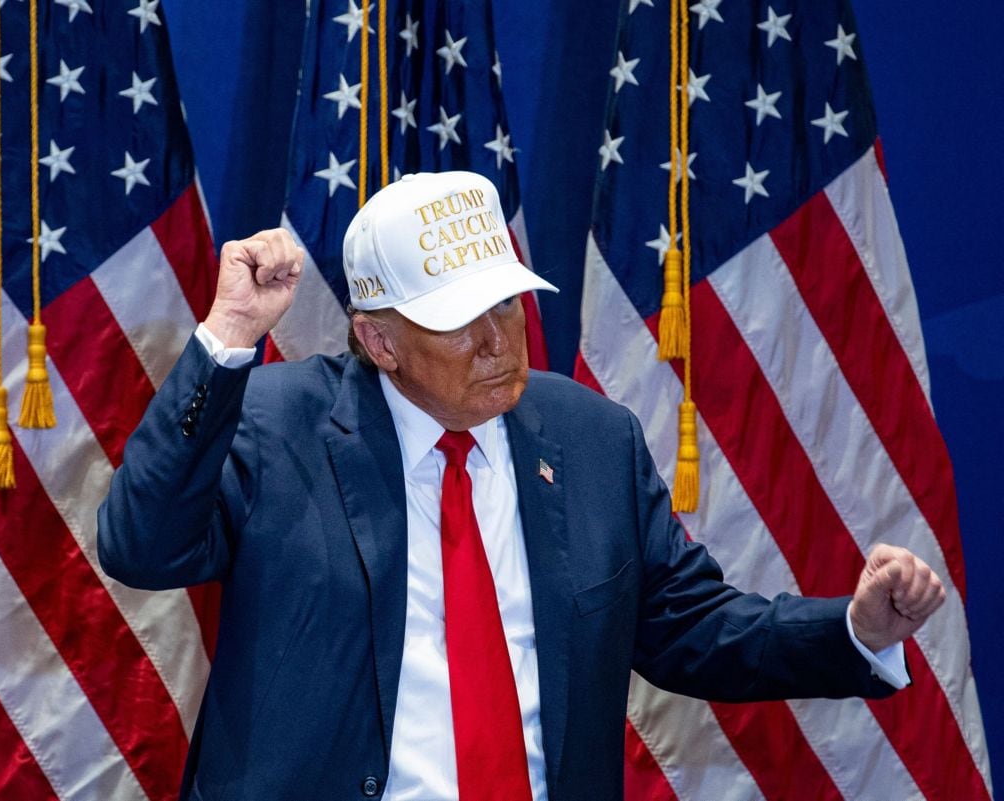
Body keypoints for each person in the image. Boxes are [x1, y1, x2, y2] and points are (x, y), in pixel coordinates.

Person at [97, 171, 945, 801]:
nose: (499, 339)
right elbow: (142, 546)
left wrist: (855, 627)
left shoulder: (590, 438)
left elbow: (691, 626)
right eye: (460, 320)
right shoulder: (279, 425)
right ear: (379, 340)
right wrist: (231, 334)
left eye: (505, 304)